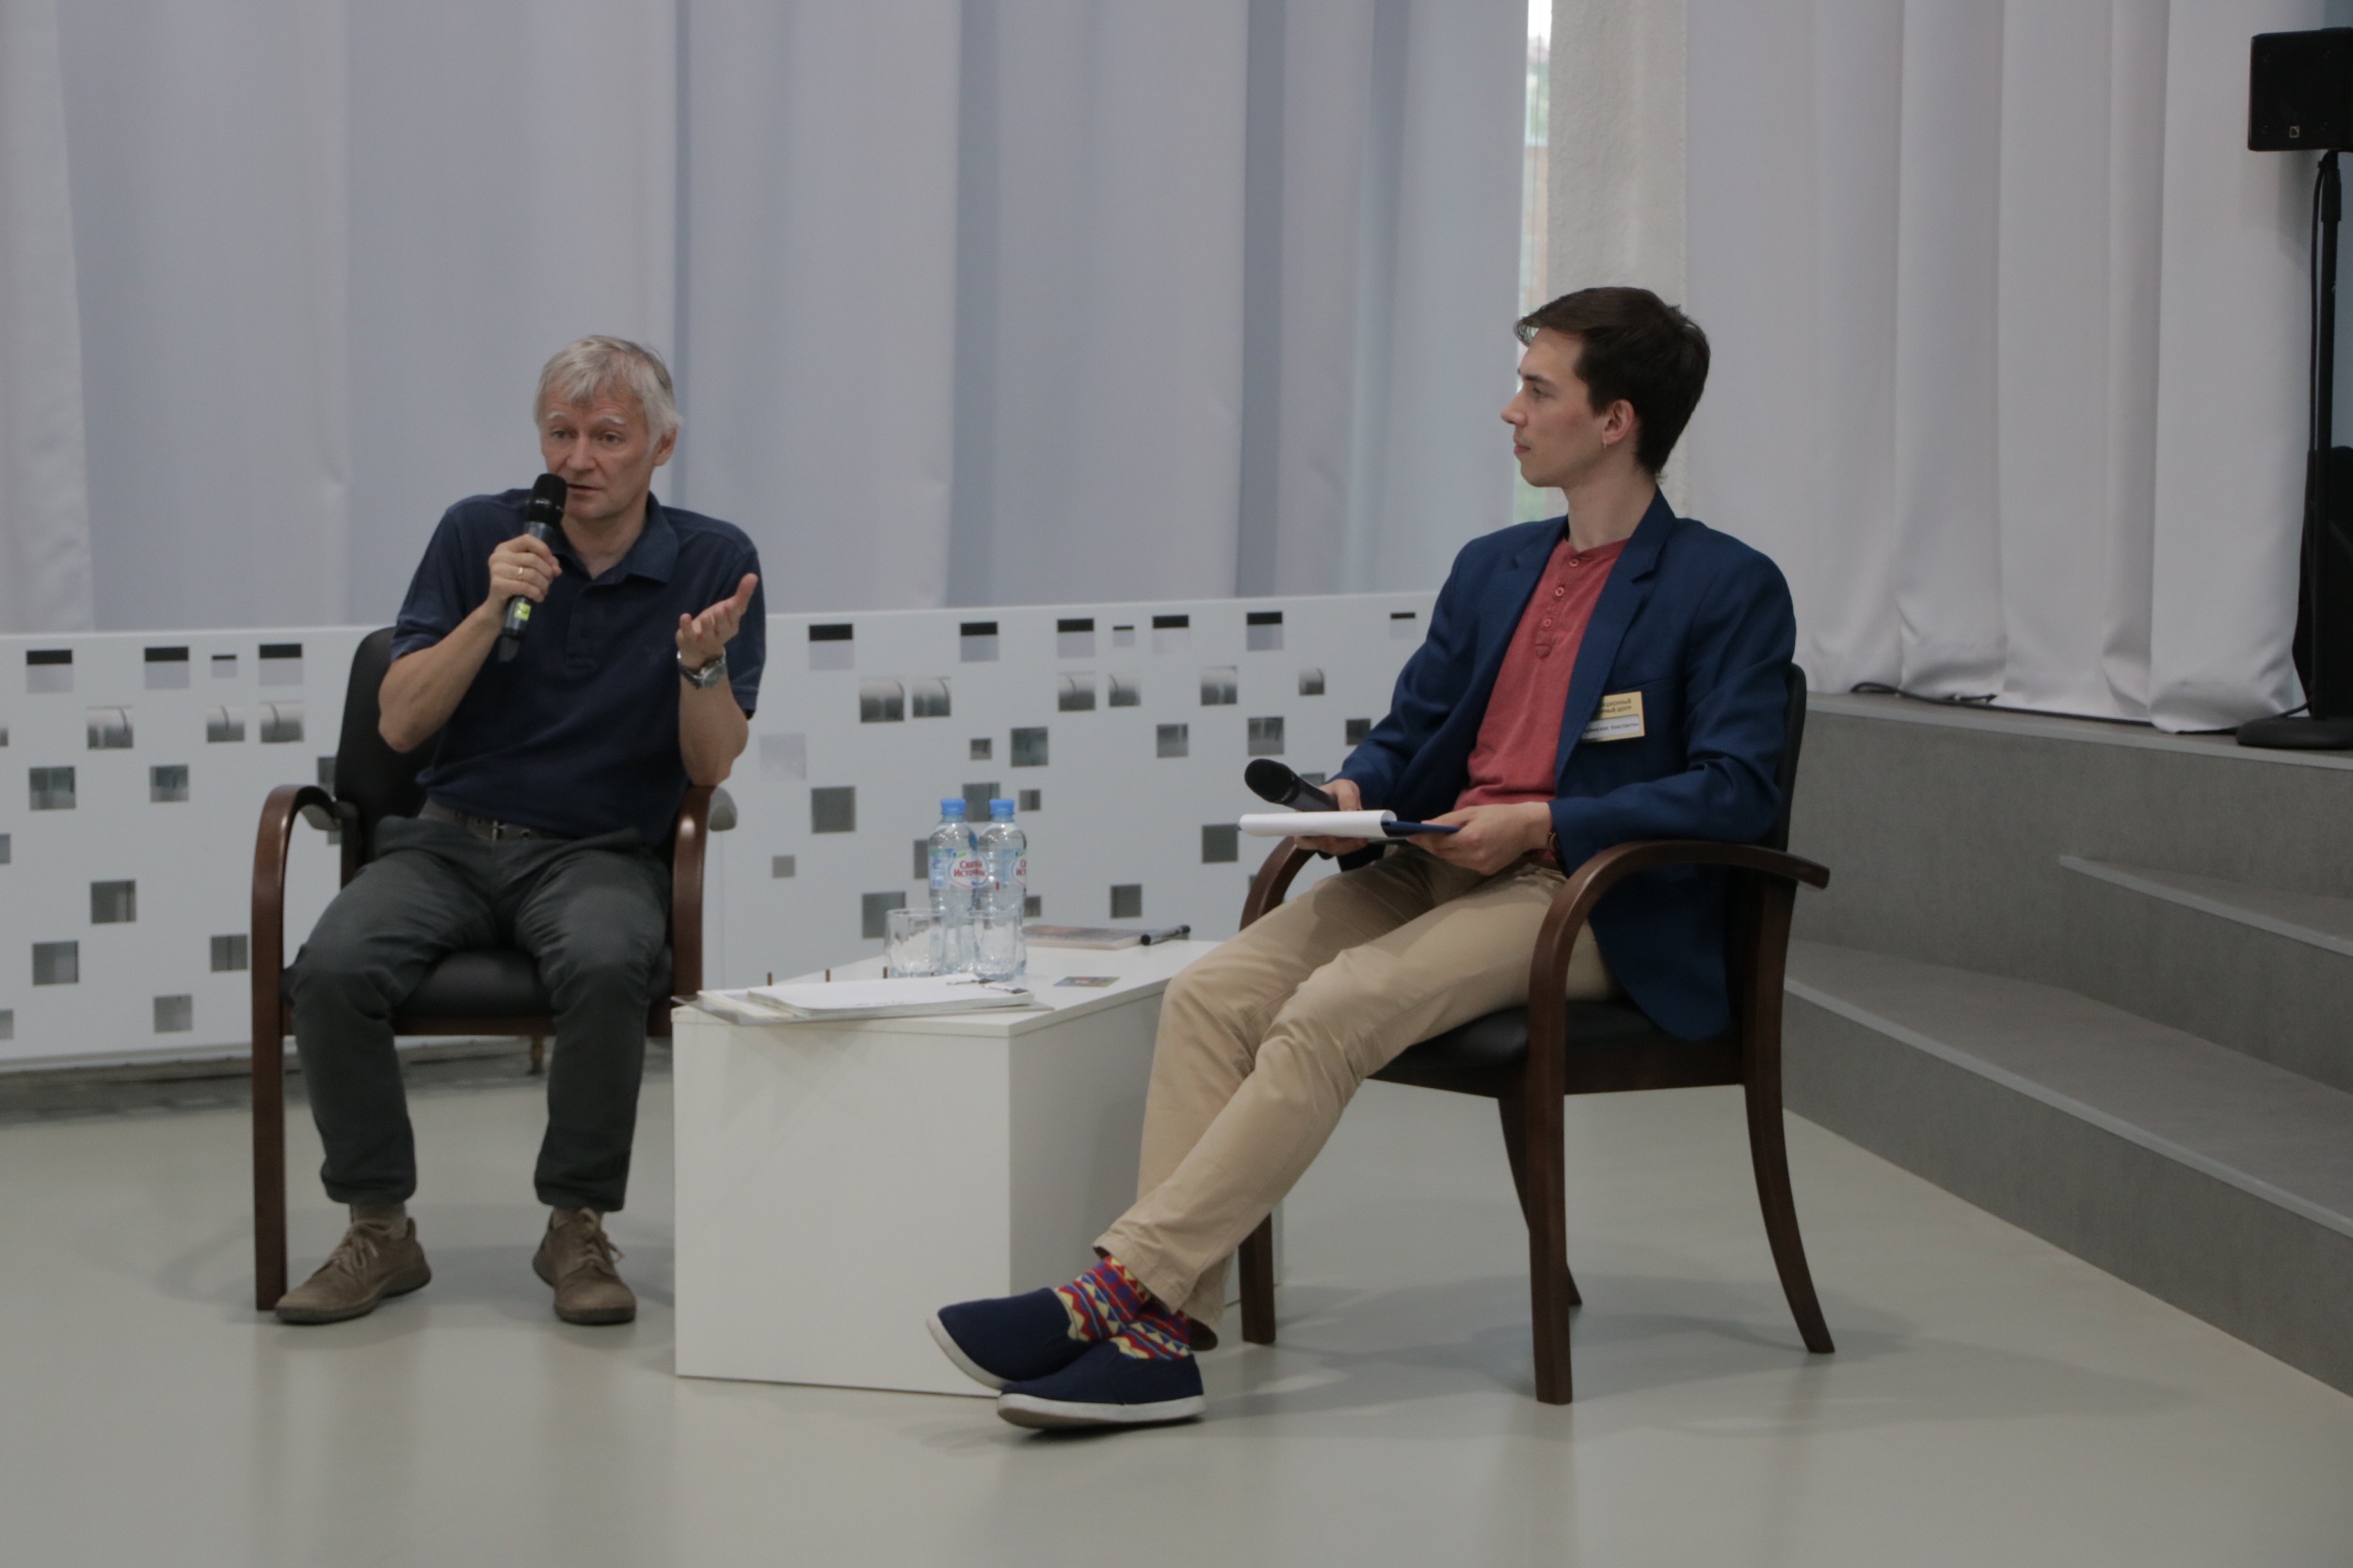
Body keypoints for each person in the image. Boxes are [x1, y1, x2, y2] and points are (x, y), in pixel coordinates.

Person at [928, 287, 1797, 1428]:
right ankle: (1156, 1337)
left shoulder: (1725, 585)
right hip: (1439, 862)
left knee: (1334, 1006)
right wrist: (1347, 795)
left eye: (1537, 389)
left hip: (1590, 898)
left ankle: (1117, 1296)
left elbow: (1738, 788)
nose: (1511, 410)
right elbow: (1412, 731)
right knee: (1212, 993)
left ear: (1615, 419)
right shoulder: (1494, 567)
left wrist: (1542, 821)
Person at [275, 336, 765, 1328]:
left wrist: (702, 668)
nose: (579, 459)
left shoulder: (714, 559)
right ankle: (380, 1227)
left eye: (608, 437)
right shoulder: (478, 533)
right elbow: (400, 724)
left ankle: (575, 1224)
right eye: (560, 434)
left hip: (597, 850)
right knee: (330, 969)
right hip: (448, 839)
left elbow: (710, 767)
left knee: (607, 961)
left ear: (661, 447)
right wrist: (494, 605)